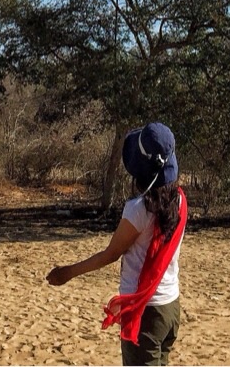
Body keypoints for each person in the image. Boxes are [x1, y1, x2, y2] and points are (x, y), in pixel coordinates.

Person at [47, 122, 187, 366]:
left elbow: (111, 254)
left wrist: (67, 272)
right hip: (170, 307)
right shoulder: (180, 201)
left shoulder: (139, 210)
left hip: (147, 313)